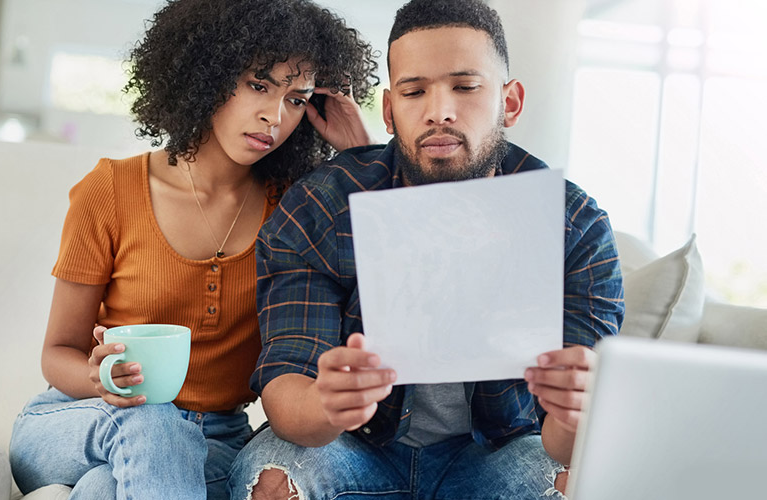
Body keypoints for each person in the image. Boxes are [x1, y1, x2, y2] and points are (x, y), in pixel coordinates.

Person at [227, 1, 624, 498]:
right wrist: (327, 403)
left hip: (498, 451)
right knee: (272, 479)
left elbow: (567, 444)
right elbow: (288, 388)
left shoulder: (575, 226)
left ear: (511, 103)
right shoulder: (322, 204)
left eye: (465, 86)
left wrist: (574, 411)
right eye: (415, 92)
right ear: (390, 111)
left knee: (572, 484)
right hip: (356, 447)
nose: (439, 111)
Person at [8, 0, 380, 498]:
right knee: (152, 418)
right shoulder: (110, 190)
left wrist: (360, 157)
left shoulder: (295, 207)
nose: (273, 115)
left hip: (215, 440)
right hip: (81, 419)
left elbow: (386, 274)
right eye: (258, 85)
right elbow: (58, 353)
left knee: (102, 490)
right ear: (205, 73)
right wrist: (100, 379)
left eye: (297, 99)